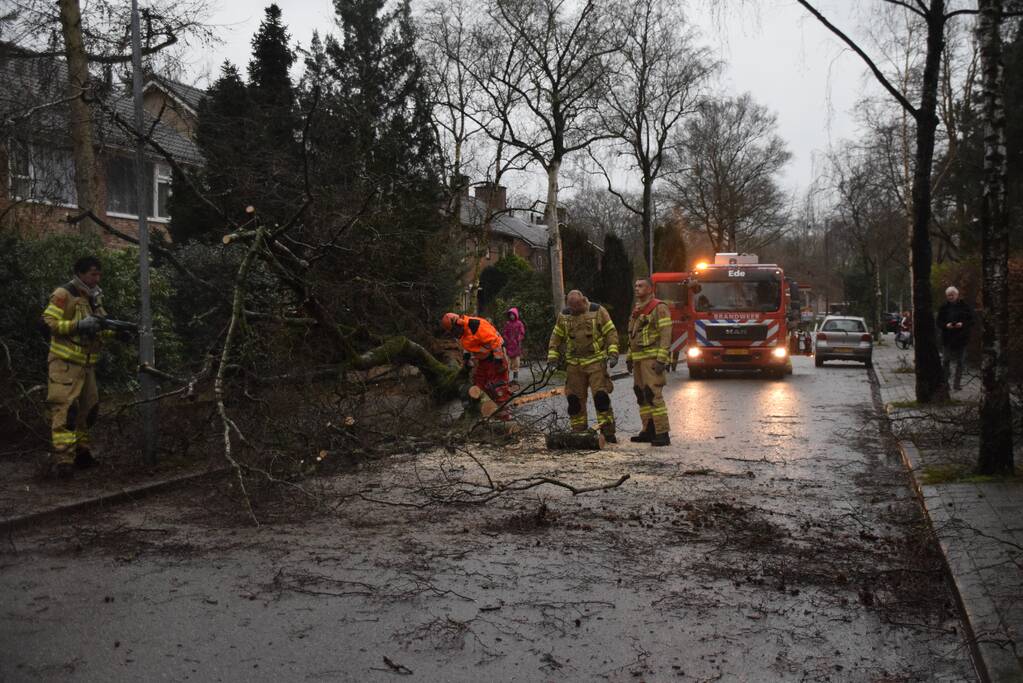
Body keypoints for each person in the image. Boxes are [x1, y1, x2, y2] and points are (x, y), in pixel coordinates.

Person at [40, 256, 125, 478]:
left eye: (99, 274)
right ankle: (63, 462)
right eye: (92, 274)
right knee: (65, 411)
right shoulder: (64, 294)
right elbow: (48, 323)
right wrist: (77, 325)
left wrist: (117, 332)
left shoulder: (94, 296)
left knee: (89, 411)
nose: (96, 278)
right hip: (65, 364)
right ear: (80, 273)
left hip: (87, 365)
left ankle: (82, 453)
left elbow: (100, 325)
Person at [547, 290, 619, 442]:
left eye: (577, 306)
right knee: (574, 400)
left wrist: (613, 353)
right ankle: (578, 431)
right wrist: (552, 358)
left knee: (601, 398)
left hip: (595, 362)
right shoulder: (564, 316)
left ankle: (608, 431)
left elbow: (610, 332)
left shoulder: (597, 311)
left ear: (583, 301)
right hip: (574, 365)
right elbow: (556, 336)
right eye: (571, 307)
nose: (574, 310)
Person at [626, 278, 672, 446]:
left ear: (650, 289)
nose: (637, 289)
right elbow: (632, 335)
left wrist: (661, 359)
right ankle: (648, 429)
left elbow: (666, 333)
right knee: (641, 394)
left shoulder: (659, 307)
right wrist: (629, 357)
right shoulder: (637, 309)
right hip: (639, 359)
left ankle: (662, 433)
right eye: (636, 286)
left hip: (652, 359)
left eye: (641, 286)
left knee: (653, 394)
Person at [441, 312, 513, 412]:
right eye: (452, 332)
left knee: (498, 384)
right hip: (482, 358)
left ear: (458, 323)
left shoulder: (476, 325)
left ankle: (504, 411)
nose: (455, 333)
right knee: (479, 384)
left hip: (496, 353)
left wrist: (498, 359)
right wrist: (467, 357)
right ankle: (486, 410)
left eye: (454, 330)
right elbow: (469, 343)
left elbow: (495, 341)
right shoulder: (462, 332)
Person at [935, 286, 973, 391]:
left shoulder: (965, 306)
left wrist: (962, 324)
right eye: (948, 295)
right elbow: (938, 322)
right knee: (946, 361)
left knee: (960, 362)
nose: (950, 297)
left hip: (962, 338)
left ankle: (957, 384)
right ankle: (946, 383)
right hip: (947, 338)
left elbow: (971, 320)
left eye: (952, 295)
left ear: (957, 295)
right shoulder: (943, 307)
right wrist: (946, 325)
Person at [501, 307, 526, 382]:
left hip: (516, 346)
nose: (512, 316)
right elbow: (504, 332)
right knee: (507, 362)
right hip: (508, 345)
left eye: (513, 315)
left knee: (516, 362)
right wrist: (506, 339)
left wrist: (518, 339)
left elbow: (522, 332)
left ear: (516, 315)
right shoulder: (507, 324)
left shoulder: (519, 323)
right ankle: (506, 378)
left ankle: (515, 378)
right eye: (510, 315)